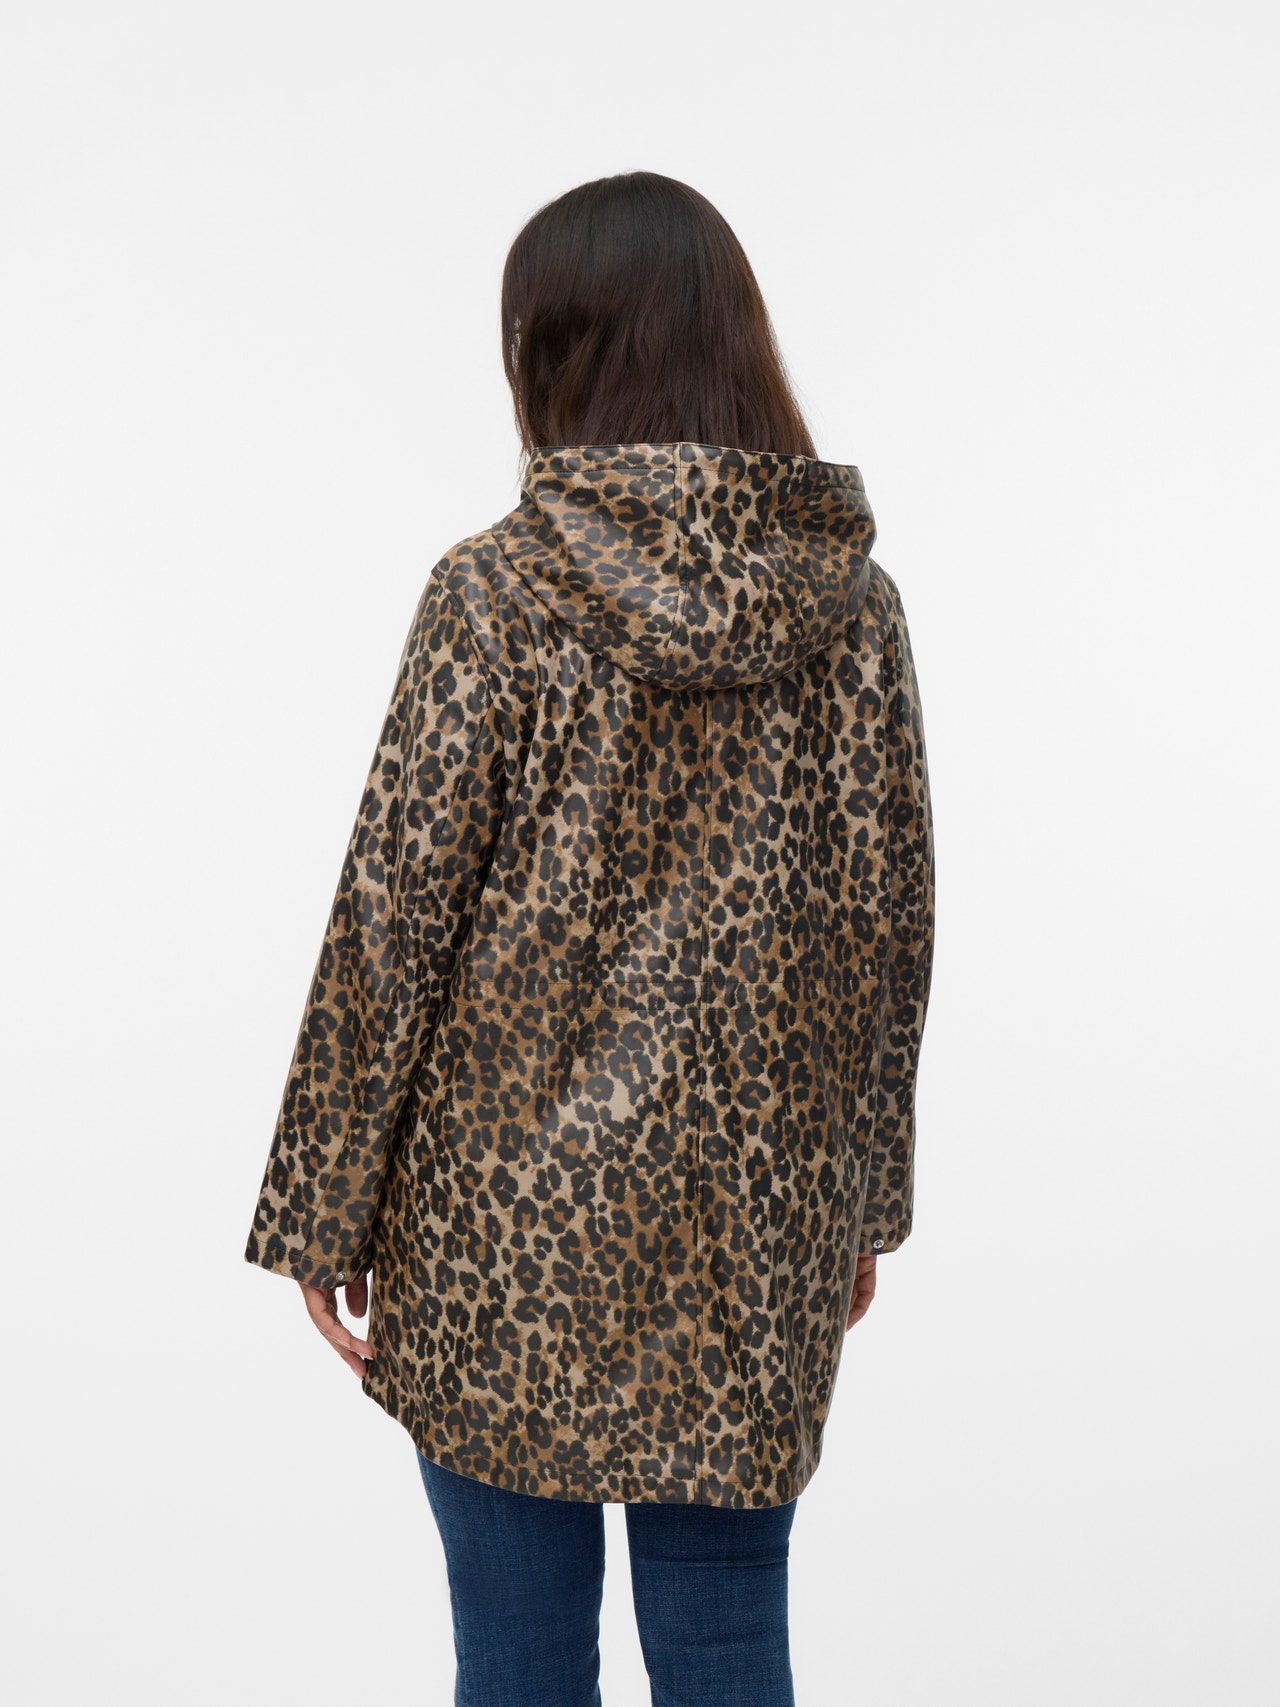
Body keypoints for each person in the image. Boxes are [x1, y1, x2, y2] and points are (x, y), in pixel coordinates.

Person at [243, 169, 936, 1707]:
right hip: (753, 1222)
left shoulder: (493, 594)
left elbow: (392, 916)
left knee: (518, 1657)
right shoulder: (851, 609)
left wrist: (323, 1211)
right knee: (728, 1642)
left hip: (497, 1235)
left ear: (553, 354)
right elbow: (890, 929)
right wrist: (863, 1203)